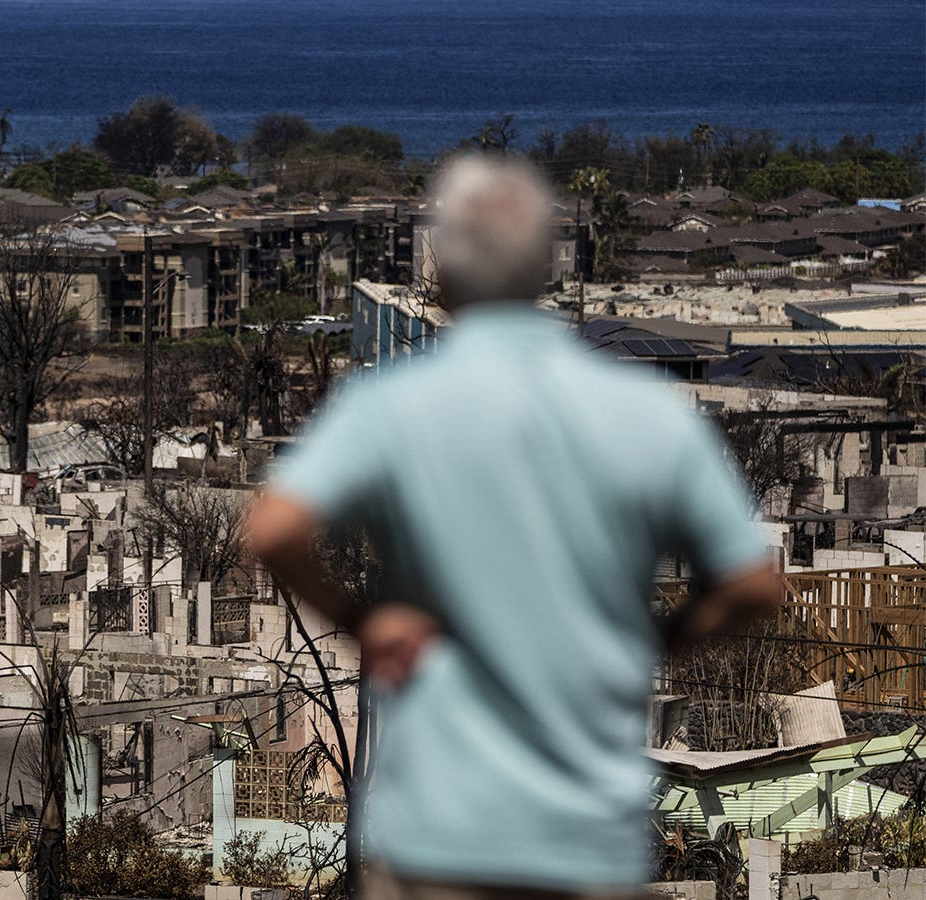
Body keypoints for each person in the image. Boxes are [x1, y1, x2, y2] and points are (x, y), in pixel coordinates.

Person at [243, 156, 783, 900]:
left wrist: (363, 625)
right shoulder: (644, 412)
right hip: (587, 841)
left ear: (446, 276)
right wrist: (661, 639)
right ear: (542, 274)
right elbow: (755, 583)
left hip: (435, 833)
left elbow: (273, 527)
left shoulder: (393, 403)